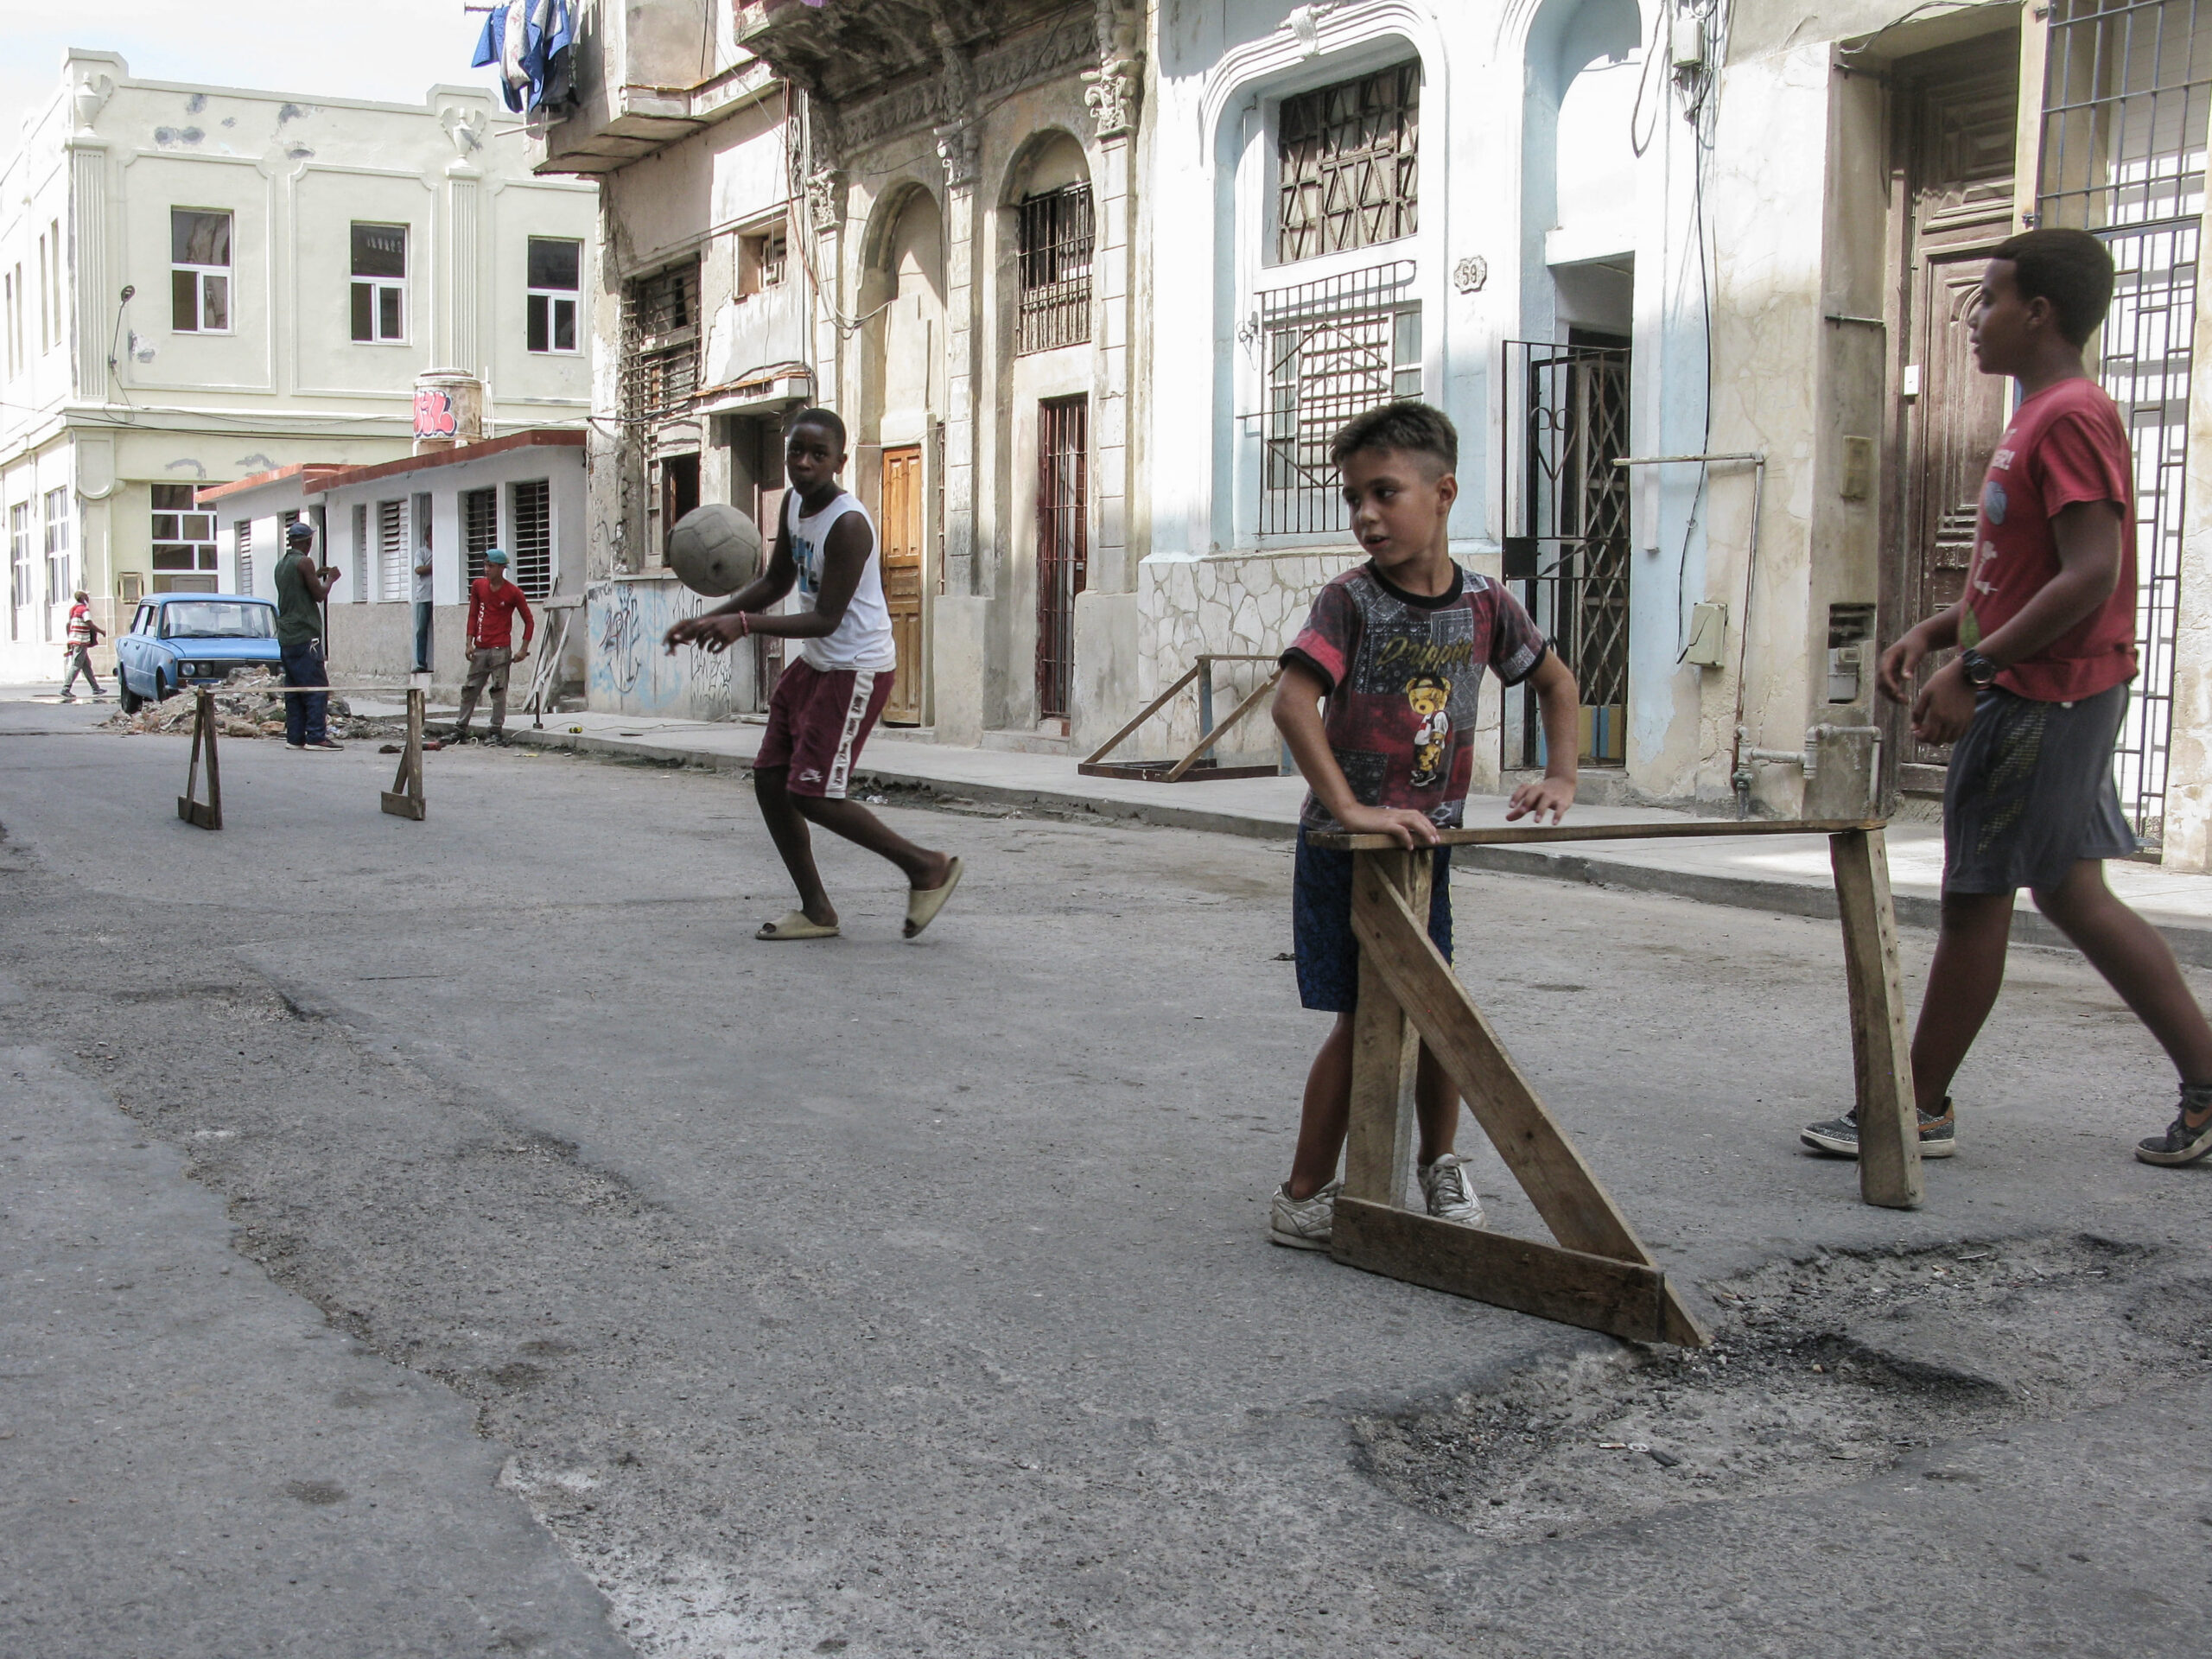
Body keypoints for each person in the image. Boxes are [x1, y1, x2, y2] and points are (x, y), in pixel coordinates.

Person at [1802, 228, 2212, 1170]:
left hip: (2041, 699)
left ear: (2041, 312)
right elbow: (2020, 575)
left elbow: (2088, 574)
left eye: (1988, 298)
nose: (1973, 318)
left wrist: (1973, 673)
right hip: (2048, 690)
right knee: (2070, 893)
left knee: (1974, 900)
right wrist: (1938, 632)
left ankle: (1912, 1111)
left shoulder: (2068, 415)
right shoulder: (2040, 414)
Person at [1268, 400, 1583, 1249]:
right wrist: (1348, 808)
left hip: (1422, 851)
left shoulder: (1485, 604)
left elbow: (1556, 682)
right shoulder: (1349, 602)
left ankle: (1438, 1166)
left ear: (1442, 493)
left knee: (1434, 1009)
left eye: (1384, 493)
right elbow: (1293, 702)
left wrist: (1561, 773)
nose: (1366, 515)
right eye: (1352, 499)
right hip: (1347, 851)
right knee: (1365, 1016)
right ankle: (1303, 1194)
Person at [662, 406, 962, 942]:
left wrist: (745, 623)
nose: (803, 463)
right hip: (818, 665)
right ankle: (817, 909)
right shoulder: (796, 504)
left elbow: (827, 616)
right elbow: (779, 578)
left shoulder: (848, 525)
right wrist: (714, 617)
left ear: (839, 461)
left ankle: (925, 867)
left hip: (855, 669)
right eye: (796, 452)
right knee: (772, 780)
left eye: (817, 455)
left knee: (813, 792)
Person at [272, 518, 343, 753]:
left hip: (287, 636)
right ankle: (315, 736)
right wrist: (330, 577)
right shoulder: (305, 562)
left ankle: (295, 736)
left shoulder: (282, 564)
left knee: (294, 688)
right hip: (305, 635)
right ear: (308, 541)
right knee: (316, 686)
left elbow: (299, 586)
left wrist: (316, 573)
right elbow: (319, 594)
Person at [450, 549, 533, 745]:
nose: (487, 570)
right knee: (470, 689)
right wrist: (469, 643)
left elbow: (529, 621)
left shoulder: (513, 593)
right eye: (485, 565)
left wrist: (523, 648)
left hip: (500, 649)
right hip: (480, 647)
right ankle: (460, 728)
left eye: (491, 566)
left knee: (498, 690)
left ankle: (495, 730)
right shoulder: (479, 586)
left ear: (502, 568)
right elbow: (472, 614)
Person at [60, 590, 104, 701]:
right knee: (76, 665)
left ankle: (95, 688)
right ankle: (66, 688)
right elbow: (89, 623)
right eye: (86, 597)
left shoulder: (73, 610)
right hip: (81, 641)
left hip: (75, 640)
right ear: (83, 598)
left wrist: (70, 638)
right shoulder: (84, 610)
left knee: (86, 666)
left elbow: (68, 624)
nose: (88, 599)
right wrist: (101, 631)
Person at [412, 532, 434, 675]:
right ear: (427, 538)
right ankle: (421, 663)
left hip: (437, 596)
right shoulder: (421, 552)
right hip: (424, 596)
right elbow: (418, 569)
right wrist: (434, 566)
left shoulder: (441, 550)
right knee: (421, 630)